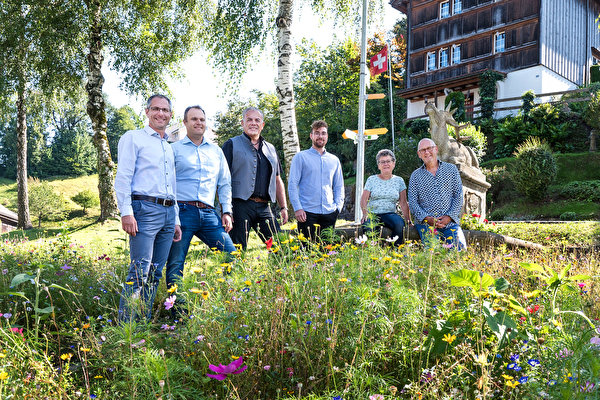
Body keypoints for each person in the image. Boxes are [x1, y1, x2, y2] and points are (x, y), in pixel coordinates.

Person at [114, 94, 182, 322]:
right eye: (156, 109)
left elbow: (172, 184)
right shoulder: (133, 138)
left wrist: (176, 219)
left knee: (154, 274)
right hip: (144, 210)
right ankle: (127, 330)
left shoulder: (168, 146)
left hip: (168, 212)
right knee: (138, 273)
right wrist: (126, 212)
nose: (161, 114)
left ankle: (142, 324)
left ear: (171, 114)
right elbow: (123, 176)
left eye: (165, 110)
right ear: (147, 112)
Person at [165, 105, 235, 317]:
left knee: (231, 254)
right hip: (182, 211)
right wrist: (174, 216)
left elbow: (225, 183)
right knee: (176, 263)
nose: (199, 123)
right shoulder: (173, 149)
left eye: (202, 119)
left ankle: (229, 304)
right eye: (194, 119)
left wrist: (227, 211)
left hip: (209, 213)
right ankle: (179, 313)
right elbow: (167, 184)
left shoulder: (216, 151)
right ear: (185, 123)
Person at [222, 107, 289, 249]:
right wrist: (226, 210)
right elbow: (221, 180)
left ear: (262, 125)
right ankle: (234, 272)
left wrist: (283, 207)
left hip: (265, 207)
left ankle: (278, 271)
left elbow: (277, 180)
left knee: (279, 246)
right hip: (239, 206)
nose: (253, 123)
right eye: (249, 119)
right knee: (236, 251)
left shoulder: (271, 148)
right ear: (242, 123)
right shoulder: (231, 144)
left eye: (257, 120)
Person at [288, 120, 344, 239]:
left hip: (329, 213)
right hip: (307, 214)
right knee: (307, 251)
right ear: (311, 136)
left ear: (327, 136)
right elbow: (292, 185)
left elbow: (339, 186)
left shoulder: (334, 160)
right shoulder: (301, 157)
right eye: (317, 133)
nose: (320, 136)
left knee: (328, 251)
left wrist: (338, 207)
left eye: (323, 133)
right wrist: (298, 208)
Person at [408, 138, 467, 250]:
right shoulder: (415, 176)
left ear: (436, 149)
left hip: (450, 223)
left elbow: (458, 195)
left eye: (429, 148)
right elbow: (413, 202)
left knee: (459, 250)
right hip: (426, 225)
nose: (426, 152)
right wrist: (427, 218)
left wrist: (449, 217)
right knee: (433, 253)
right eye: (423, 150)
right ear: (419, 154)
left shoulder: (451, 169)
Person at [360, 149, 412, 246]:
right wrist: (365, 214)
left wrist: (408, 220)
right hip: (373, 214)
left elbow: (403, 202)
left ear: (393, 163)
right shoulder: (372, 179)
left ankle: (396, 251)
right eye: (382, 162)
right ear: (379, 165)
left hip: (390, 214)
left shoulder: (399, 181)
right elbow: (364, 199)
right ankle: (371, 253)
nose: (385, 164)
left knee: (399, 224)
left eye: (388, 161)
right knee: (368, 227)